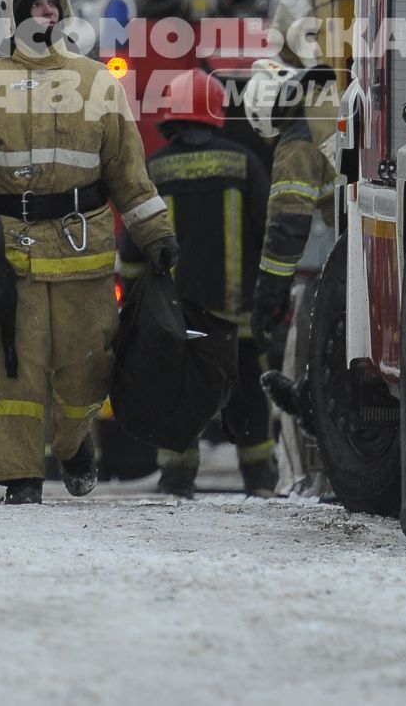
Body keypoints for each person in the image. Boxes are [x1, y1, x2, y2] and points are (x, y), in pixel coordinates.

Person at [0, 0, 178, 505]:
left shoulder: (96, 83)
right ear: (14, 14)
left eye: (52, 2)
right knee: (16, 373)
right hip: (12, 255)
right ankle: (21, 478)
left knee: (88, 369)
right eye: (35, 2)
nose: (46, 9)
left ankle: (73, 443)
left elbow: (129, 175)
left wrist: (157, 235)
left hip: (84, 250)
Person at [116, 68, 277, 498]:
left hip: (178, 320)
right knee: (247, 394)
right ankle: (259, 479)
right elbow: (268, 231)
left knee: (180, 394)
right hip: (237, 316)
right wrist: (271, 293)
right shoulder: (244, 164)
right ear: (214, 113)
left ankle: (176, 479)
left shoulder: (155, 168)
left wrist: (134, 303)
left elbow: (132, 250)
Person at [246, 57, 340, 369]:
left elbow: (287, 228)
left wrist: (268, 299)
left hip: (358, 249)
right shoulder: (332, 105)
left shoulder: (297, 145)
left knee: (315, 328)